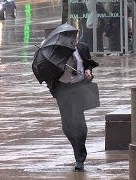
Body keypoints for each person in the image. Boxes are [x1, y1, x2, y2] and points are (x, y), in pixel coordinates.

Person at [47, 36, 99, 171]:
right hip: (63, 90)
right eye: (71, 41)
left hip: (79, 87)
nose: (74, 43)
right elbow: (49, 75)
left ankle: (80, 157)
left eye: (75, 40)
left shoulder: (82, 47)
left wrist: (89, 72)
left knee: (78, 122)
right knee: (67, 125)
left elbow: (87, 64)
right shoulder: (56, 54)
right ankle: (77, 145)